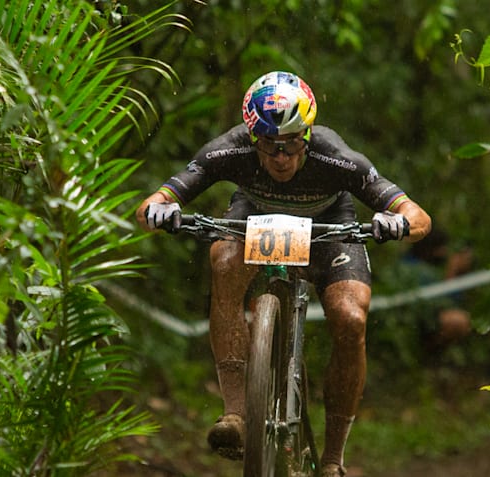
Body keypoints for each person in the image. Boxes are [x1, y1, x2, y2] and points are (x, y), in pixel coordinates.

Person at [135, 71, 431, 477]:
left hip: (330, 228)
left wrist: (397, 223)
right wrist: (160, 210)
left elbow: (418, 217)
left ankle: (332, 459)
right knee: (222, 261)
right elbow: (154, 201)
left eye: (292, 145)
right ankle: (236, 413)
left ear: (307, 136)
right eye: (269, 147)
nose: (281, 158)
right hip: (254, 219)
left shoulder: (336, 156)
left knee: (350, 317)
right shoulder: (229, 149)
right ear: (252, 137)